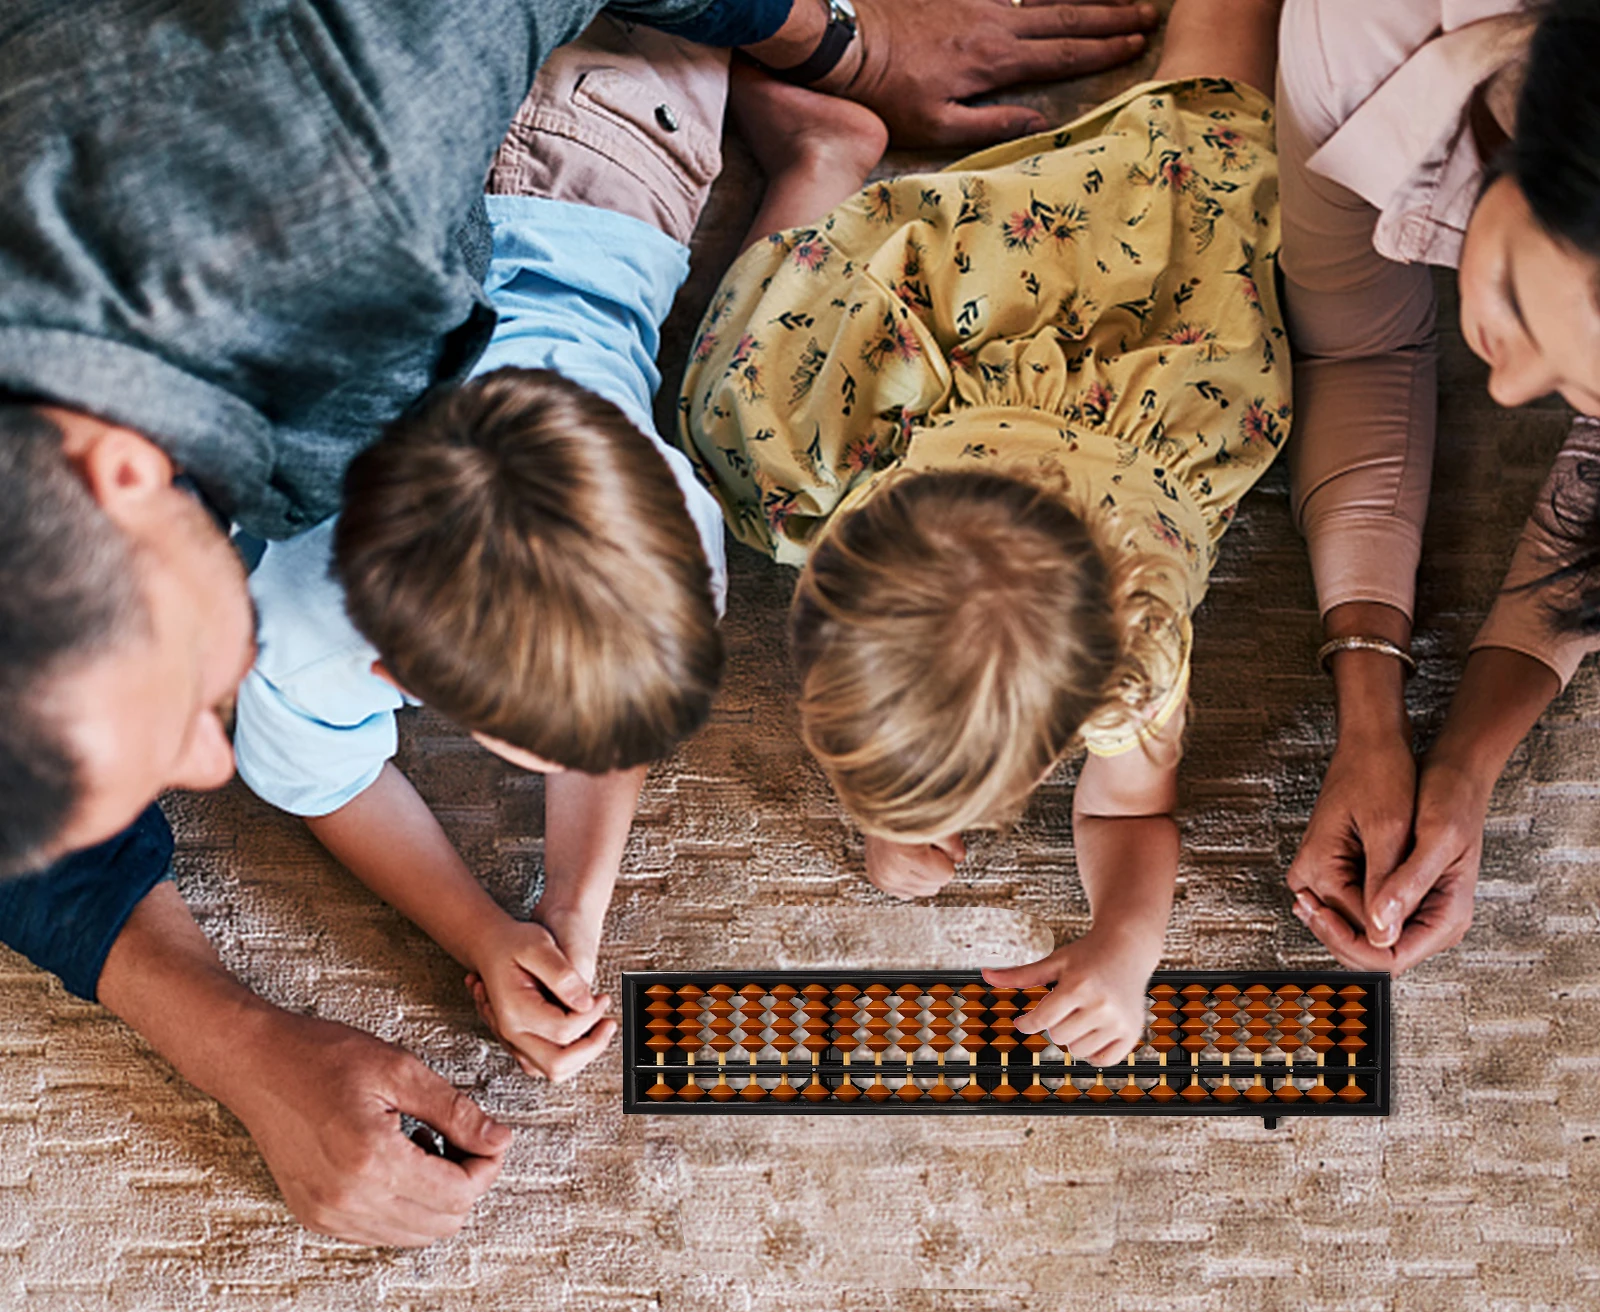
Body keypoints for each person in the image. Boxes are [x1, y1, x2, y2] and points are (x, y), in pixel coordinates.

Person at [0, 0, 1162, 1246]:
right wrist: (242, 1043)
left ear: (112, 471)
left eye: (170, 719)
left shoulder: (354, 153)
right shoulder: (344, 525)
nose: (211, 765)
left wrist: (840, 36)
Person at [681, 0, 1289, 1060]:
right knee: (742, 408)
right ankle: (822, 159)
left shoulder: (1135, 656)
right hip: (991, 319)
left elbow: (1131, 816)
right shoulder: (864, 490)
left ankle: (827, 157)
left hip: (1106, 340)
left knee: (1212, 136)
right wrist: (891, 810)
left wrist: (1127, 943)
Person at [233, 21, 733, 1085]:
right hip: (582, 143)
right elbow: (323, 784)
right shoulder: (291, 616)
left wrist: (571, 903)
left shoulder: (676, 540)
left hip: (573, 154)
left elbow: (607, 701)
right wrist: (478, 929)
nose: (591, 767)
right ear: (392, 671)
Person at [1279, 0, 1600, 973]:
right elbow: (1359, 349)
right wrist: (1364, 706)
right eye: (1508, 291)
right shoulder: (1362, 35)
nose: (1504, 391)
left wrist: (1460, 767)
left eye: (1583, 392)